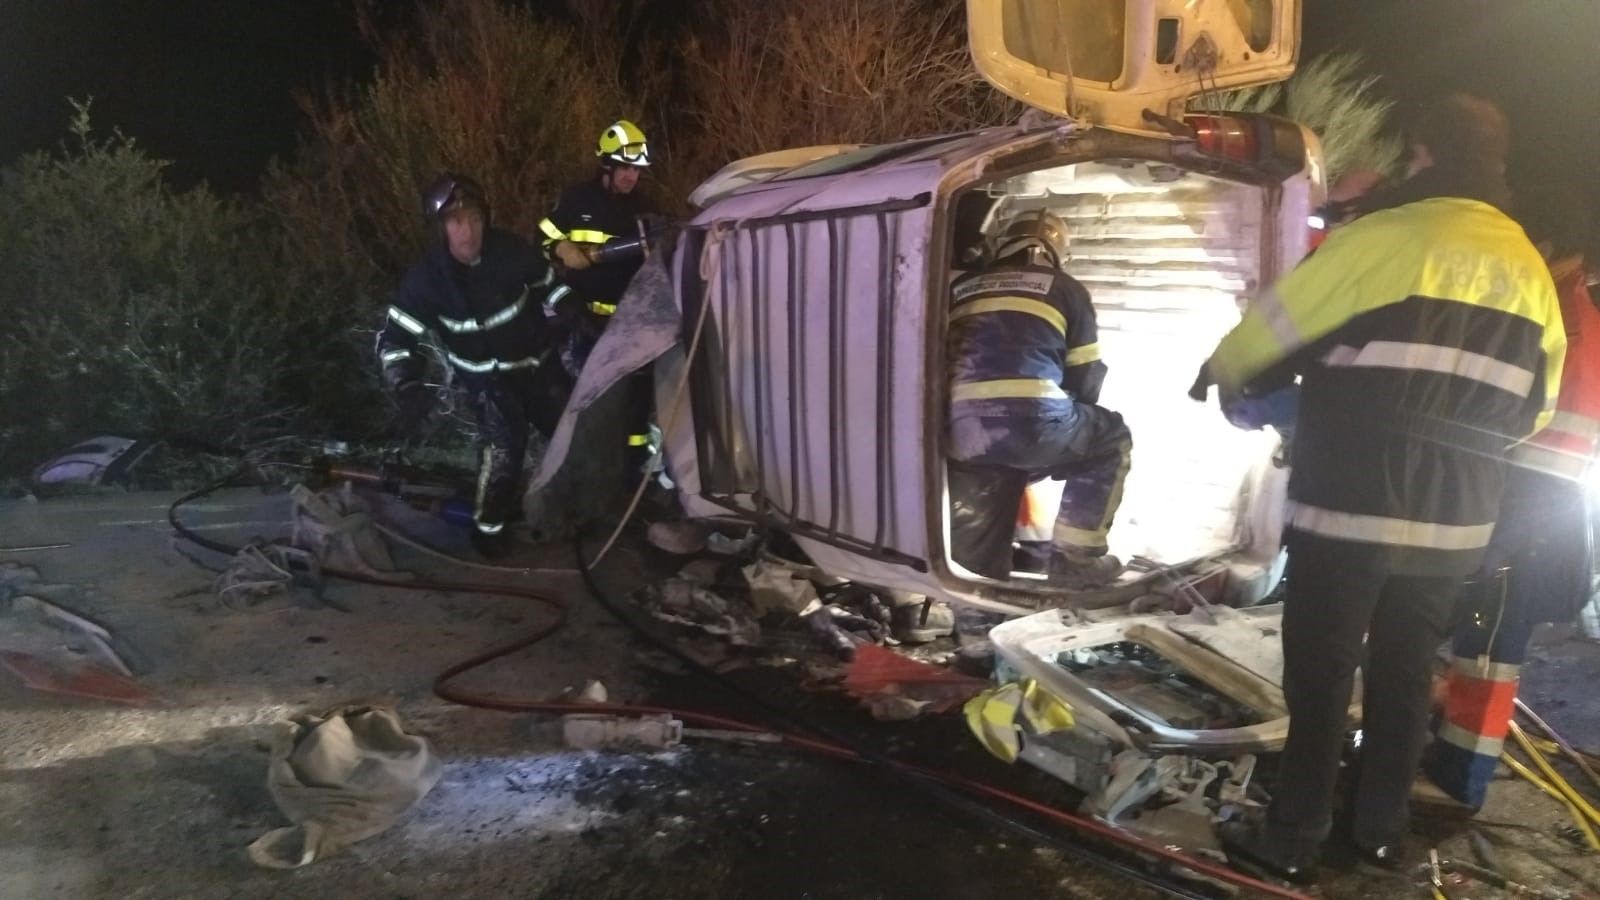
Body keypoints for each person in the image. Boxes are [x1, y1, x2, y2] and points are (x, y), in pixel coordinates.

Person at [1198, 94, 1566, 883]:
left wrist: (1227, 376)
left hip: (1350, 508)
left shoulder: (1390, 237)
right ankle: (1378, 833)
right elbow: (1533, 411)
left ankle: (1292, 835)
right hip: (1455, 525)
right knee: (1404, 679)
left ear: (1423, 154)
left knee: (1322, 674)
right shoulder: (1530, 271)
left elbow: (1267, 336)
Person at [1425, 188, 1599, 809]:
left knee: (1488, 658)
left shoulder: (1559, 323)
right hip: (1525, 518)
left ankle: (1456, 782)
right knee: (1479, 655)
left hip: (1517, 520)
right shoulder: (1577, 318)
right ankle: (1450, 763)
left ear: (1547, 249)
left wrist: (1487, 546)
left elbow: (1538, 460)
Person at [376, 173, 566, 559]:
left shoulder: (511, 252)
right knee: (503, 453)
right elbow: (395, 339)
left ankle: (584, 507)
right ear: (442, 229)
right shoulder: (426, 282)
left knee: (572, 434)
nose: (469, 232)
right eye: (457, 222)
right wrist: (405, 384)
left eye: (475, 219)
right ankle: (488, 531)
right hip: (487, 382)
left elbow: (550, 283)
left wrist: (570, 307)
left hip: (538, 370)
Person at [945, 209, 1132, 585]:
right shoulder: (1065, 288)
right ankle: (1075, 561)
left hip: (962, 434)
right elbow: (1086, 374)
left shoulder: (959, 287)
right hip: (1036, 425)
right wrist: (1063, 440)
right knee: (1112, 437)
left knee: (974, 554)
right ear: (1056, 250)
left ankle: (976, 618)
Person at [537, 119, 657, 471]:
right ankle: (583, 468)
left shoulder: (643, 209)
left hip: (628, 321)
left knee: (635, 400)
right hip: (584, 324)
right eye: (624, 167)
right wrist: (561, 247)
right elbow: (541, 236)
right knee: (588, 401)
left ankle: (632, 471)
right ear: (606, 164)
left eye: (636, 170)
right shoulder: (577, 200)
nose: (630, 177)